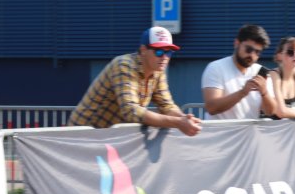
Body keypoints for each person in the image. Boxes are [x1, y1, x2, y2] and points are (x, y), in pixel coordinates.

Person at [70, 27, 203, 135]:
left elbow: (167, 106)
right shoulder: (124, 65)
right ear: (143, 50)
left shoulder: (158, 71)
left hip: (108, 136)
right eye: (158, 52)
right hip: (82, 135)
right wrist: (178, 123)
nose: (164, 57)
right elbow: (131, 111)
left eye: (168, 52)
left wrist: (184, 119)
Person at [201, 24, 271, 120]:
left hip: (249, 130)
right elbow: (212, 107)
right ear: (237, 43)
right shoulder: (215, 68)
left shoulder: (261, 72)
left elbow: (271, 112)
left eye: (257, 52)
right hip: (221, 130)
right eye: (249, 49)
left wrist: (264, 93)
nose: (252, 55)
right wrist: (242, 92)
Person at [262, 36, 295, 122]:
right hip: (268, 127)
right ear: (279, 56)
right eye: (290, 52)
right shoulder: (273, 75)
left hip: (287, 127)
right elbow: (281, 112)